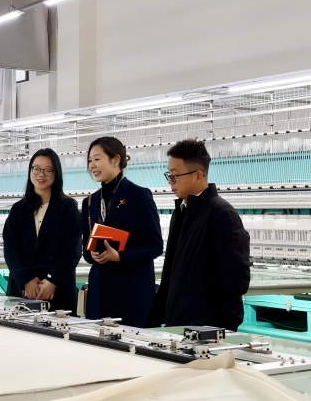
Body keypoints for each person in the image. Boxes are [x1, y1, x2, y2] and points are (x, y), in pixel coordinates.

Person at [149, 139, 250, 331]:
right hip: (178, 321)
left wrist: (224, 328)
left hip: (207, 328)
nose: (170, 182)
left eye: (175, 175)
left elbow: (235, 276)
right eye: (169, 175)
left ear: (198, 175)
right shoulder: (182, 211)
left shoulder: (222, 214)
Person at [80, 137, 163, 327]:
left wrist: (120, 256)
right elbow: (86, 248)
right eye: (90, 160)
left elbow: (155, 246)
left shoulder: (139, 196)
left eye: (97, 159)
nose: (92, 165)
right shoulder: (90, 202)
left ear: (116, 160)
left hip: (131, 292)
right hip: (99, 293)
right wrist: (92, 254)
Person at [3, 148, 82, 313]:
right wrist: (27, 280)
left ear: (56, 173)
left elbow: (72, 250)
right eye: (37, 169)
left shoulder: (68, 208)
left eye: (48, 170)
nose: (41, 174)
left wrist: (52, 281)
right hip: (23, 290)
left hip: (57, 289)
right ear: (30, 171)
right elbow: (11, 249)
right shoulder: (18, 210)